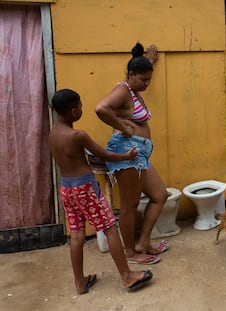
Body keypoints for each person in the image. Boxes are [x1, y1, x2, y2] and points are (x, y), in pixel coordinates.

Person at [48, 89, 153, 294]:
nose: (81, 109)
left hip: (66, 188)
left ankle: (80, 282)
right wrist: (127, 156)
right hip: (85, 188)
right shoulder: (78, 135)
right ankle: (127, 276)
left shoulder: (52, 132)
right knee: (110, 228)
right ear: (72, 111)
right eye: (79, 106)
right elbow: (104, 155)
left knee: (77, 234)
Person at [95, 42, 169, 265]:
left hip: (140, 153)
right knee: (130, 205)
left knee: (160, 195)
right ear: (131, 74)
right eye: (144, 79)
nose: (147, 84)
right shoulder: (122, 90)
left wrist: (149, 61)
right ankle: (130, 252)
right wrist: (122, 125)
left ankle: (143, 242)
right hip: (127, 152)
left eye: (150, 79)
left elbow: (138, 77)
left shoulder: (133, 89)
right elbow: (101, 108)